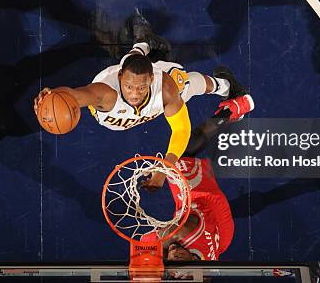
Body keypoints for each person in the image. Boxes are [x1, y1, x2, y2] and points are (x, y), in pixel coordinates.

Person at [34, 11, 254, 189]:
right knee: (132, 60)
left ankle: (225, 85)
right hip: (113, 116)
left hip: (154, 94)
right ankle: (142, 43)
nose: (134, 93)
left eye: (141, 87)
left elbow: (181, 131)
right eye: (129, 87)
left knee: (186, 83)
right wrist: (52, 96)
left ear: (151, 79)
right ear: (120, 78)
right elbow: (72, 95)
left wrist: (164, 169)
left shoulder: (164, 87)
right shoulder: (105, 94)